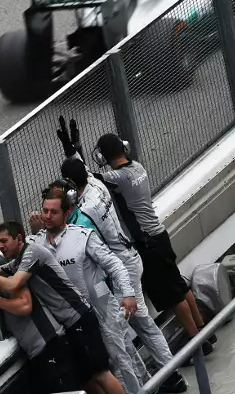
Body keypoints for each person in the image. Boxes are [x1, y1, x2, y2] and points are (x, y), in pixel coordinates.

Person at [57, 154, 189, 393]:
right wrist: (71, 149)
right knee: (131, 332)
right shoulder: (96, 185)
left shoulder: (83, 214)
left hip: (119, 271)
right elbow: (83, 170)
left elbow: (86, 246)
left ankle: (170, 375)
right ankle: (158, 377)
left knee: (131, 330)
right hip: (128, 257)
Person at [92, 133, 215, 354]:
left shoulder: (117, 178)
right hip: (159, 235)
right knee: (179, 284)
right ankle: (204, 329)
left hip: (148, 243)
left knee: (173, 295)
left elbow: (91, 179)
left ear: (104, 156)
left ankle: (197, 342)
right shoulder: (136, 167)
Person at [0, 222, 120, 394]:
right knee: (86, 378)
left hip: (78, 317)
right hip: (68, 325)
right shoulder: (18, 263)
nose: (1, 246)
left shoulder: (32, 253)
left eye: (4, 241)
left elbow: (12, 284)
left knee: (100, 372)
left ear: (19, 238)